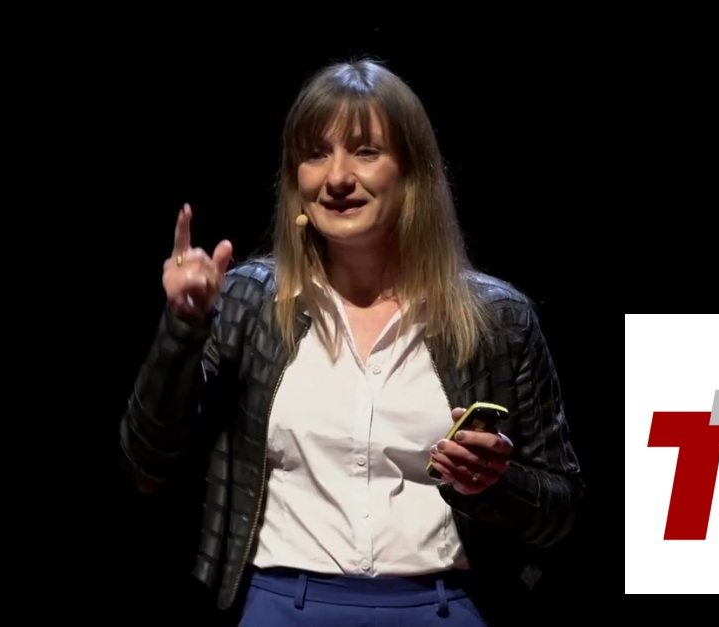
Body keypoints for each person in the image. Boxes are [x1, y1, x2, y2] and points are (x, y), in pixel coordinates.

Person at [118, 58, 583, 627]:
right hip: (281, 608)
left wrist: (492, 486)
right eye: (316, 154)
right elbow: (147, 460)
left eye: (365, 151)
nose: (336, 177)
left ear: (411, 171)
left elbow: (562, 511)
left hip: (444, 610)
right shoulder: (248, 303)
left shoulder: (498, 319)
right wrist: (183, 326)